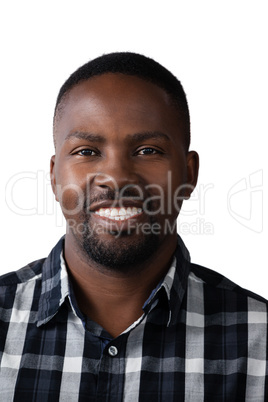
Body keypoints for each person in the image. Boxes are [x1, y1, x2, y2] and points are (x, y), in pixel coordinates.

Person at [0, 52, 267, 401]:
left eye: (147, 150)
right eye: (86, 151)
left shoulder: (259, 339)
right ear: (54, 175)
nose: (116, 177)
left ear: (189, 174)